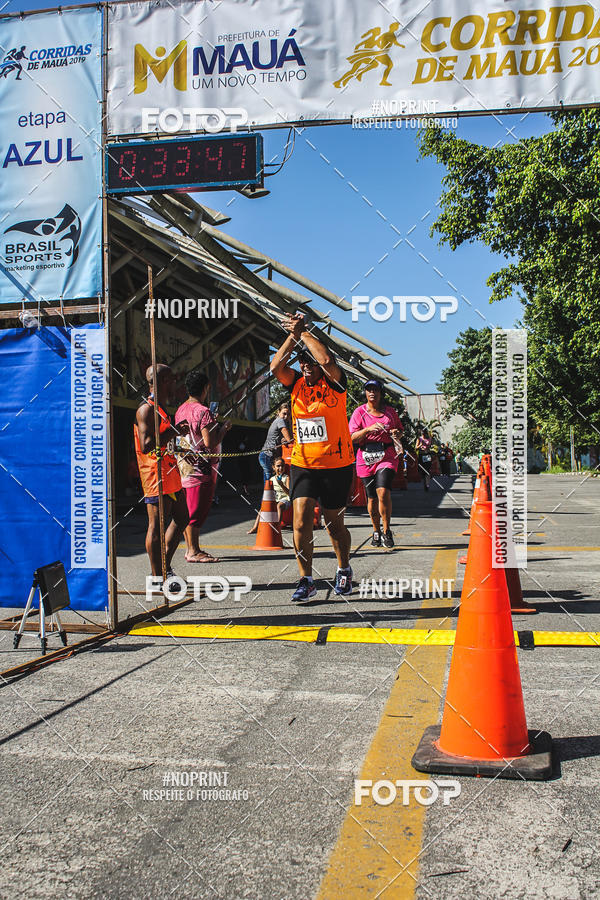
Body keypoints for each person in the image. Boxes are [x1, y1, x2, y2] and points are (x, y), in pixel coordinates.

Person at [271, 313, 355, 602]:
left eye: (310, 361)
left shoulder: (335, 383)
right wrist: (293, 336)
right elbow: (275, 366)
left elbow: (329, 362)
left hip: (337, 465)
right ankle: (306, 579)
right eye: (301, 361)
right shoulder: (295, 383)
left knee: (334, 524)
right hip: (303, 464)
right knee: (300, 521)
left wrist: (304, 332)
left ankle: (343, 569)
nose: (305, 365)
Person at [134, 364, 189, 579]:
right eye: (172, 379)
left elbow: (163, 443)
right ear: (162, 382)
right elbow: (147, 444)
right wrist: (174, 432)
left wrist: (182, 449)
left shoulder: (162, 409)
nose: (175, 384)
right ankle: (157, 577)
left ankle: (163, 566)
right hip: (155, 475)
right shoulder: (146, 409)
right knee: (156, 526)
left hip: (170, 471)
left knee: (182, 518)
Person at [175, 370, 232, 562]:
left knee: (188, 508)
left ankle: (191, 548)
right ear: (206, 388)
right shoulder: (203, 412)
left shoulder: (180, 410)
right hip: (202, 468)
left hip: (184, 466)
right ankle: (193, 550)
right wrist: (223, 429)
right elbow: (209, 442)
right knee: (197, 510)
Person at [348, 379, 403, 548]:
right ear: (365, 393)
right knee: (371, 497)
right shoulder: (359, 412)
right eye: (369, 390)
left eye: (375, 390)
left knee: (383, 490)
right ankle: (376, 530)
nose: (372, 392)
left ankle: (386, 530)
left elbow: (400, 431)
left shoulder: (390, 413)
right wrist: (367, 430)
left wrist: (396, 433)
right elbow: (351, 437)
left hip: (386, 455)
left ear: (380, 393)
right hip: (366, 457)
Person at [258, 402, 293, 483]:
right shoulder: (280, 421)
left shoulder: (278, 421)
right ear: (278, 412)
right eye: (284, 413)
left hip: (267, 456)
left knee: (269, 483)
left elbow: (284, 438)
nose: (286, 416)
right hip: (267, 456)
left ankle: (267, 496)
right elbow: (290, 439)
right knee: (269, 483)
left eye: (288, 414)